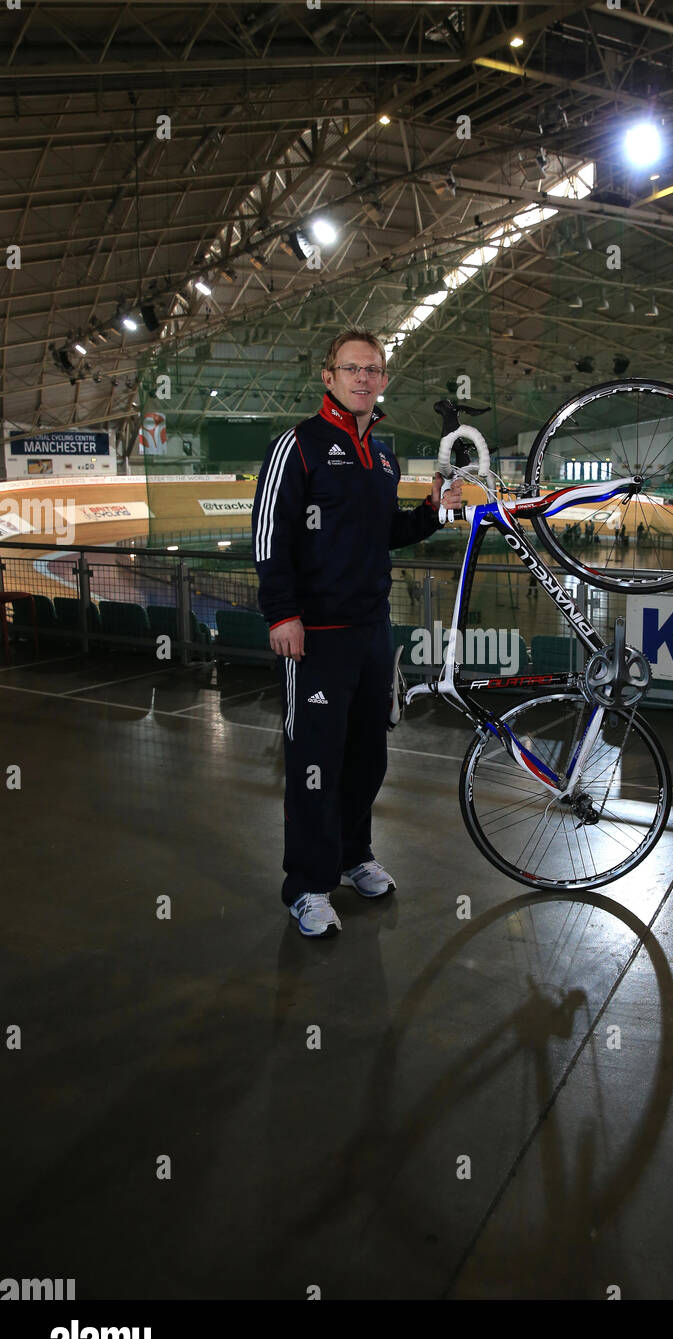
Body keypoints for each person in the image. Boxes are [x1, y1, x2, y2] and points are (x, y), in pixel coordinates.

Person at [251, 329, 463, 938]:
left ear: (383, 379)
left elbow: (382, 533)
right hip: (315, 635)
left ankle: (352, 856)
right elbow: (271, 534)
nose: (363, 378)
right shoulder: (299, 444)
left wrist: (427, 514)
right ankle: (308, 885)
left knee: (367, 758)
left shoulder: (387, 454)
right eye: (352, 369)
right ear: (329, 376)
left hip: (372, 631)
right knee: (314, 763)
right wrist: (281, 613)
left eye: (373, 369)